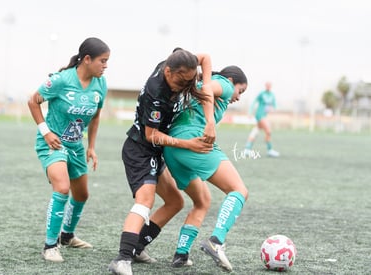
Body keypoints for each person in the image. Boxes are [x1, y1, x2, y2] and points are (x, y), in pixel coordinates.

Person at [108, 48, 216, 275]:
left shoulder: (178, 66)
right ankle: (122, 258)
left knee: (175, 201)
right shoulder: (156, 92)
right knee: (145, 199)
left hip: (156, 152)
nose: (185, 85)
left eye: (190, 80)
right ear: (168, 71)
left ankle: (137, 247)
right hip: (140, 149)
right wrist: (189, 144)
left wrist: (205, 91)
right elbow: (152, 136)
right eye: (181, 80)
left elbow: (204, 57)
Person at [27, 37, 110, 262]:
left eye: (107, 61)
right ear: (86, 59)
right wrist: (46, 132)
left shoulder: (101, 84)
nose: (105, 65)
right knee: (62, 188)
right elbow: (33, 101)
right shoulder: (62, 80)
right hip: (52, 143)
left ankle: (67, 236)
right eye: (102, 61)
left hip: (75, 146)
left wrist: (91, 146)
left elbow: (95, 116)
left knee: (82, 194)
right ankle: (50, 246)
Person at [163, 65, 248, 272]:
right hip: (194, 141)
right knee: (239, 190)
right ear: (231, 80)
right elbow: (210, 88)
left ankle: (181, 254)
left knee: (202, 201)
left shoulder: (198, 84)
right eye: (241, 90)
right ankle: (216, 241)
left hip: (173, 148)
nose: (238, 97)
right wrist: (210, 121)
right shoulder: (225, 85)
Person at [244, 81, 280, 157]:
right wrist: (250, 112)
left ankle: (247, 149)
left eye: (269, 85)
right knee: (268, 131)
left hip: (264, 115)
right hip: (259, 115)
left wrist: (272, 109)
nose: (268, 86)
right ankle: (269, 150)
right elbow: (254, 102)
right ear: (265, 86)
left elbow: (274, 105)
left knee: (256, 131)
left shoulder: (272, 95)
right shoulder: (261, 94)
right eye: (267, 85)